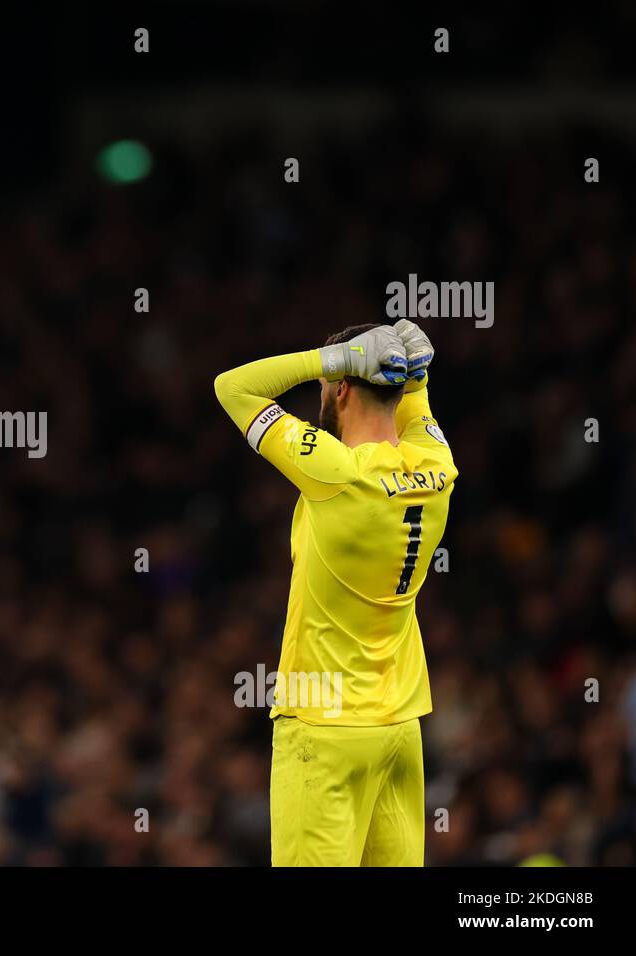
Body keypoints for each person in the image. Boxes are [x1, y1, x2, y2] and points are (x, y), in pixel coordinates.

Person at [213, 320, 456, 866]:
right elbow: (415, 413)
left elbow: (232, 387)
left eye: (330, 381)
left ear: (342, 384)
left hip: (324, 730)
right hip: (399, 723)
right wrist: (415, 380)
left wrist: (329, 358)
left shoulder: (336, 471)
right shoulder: (438, 468)